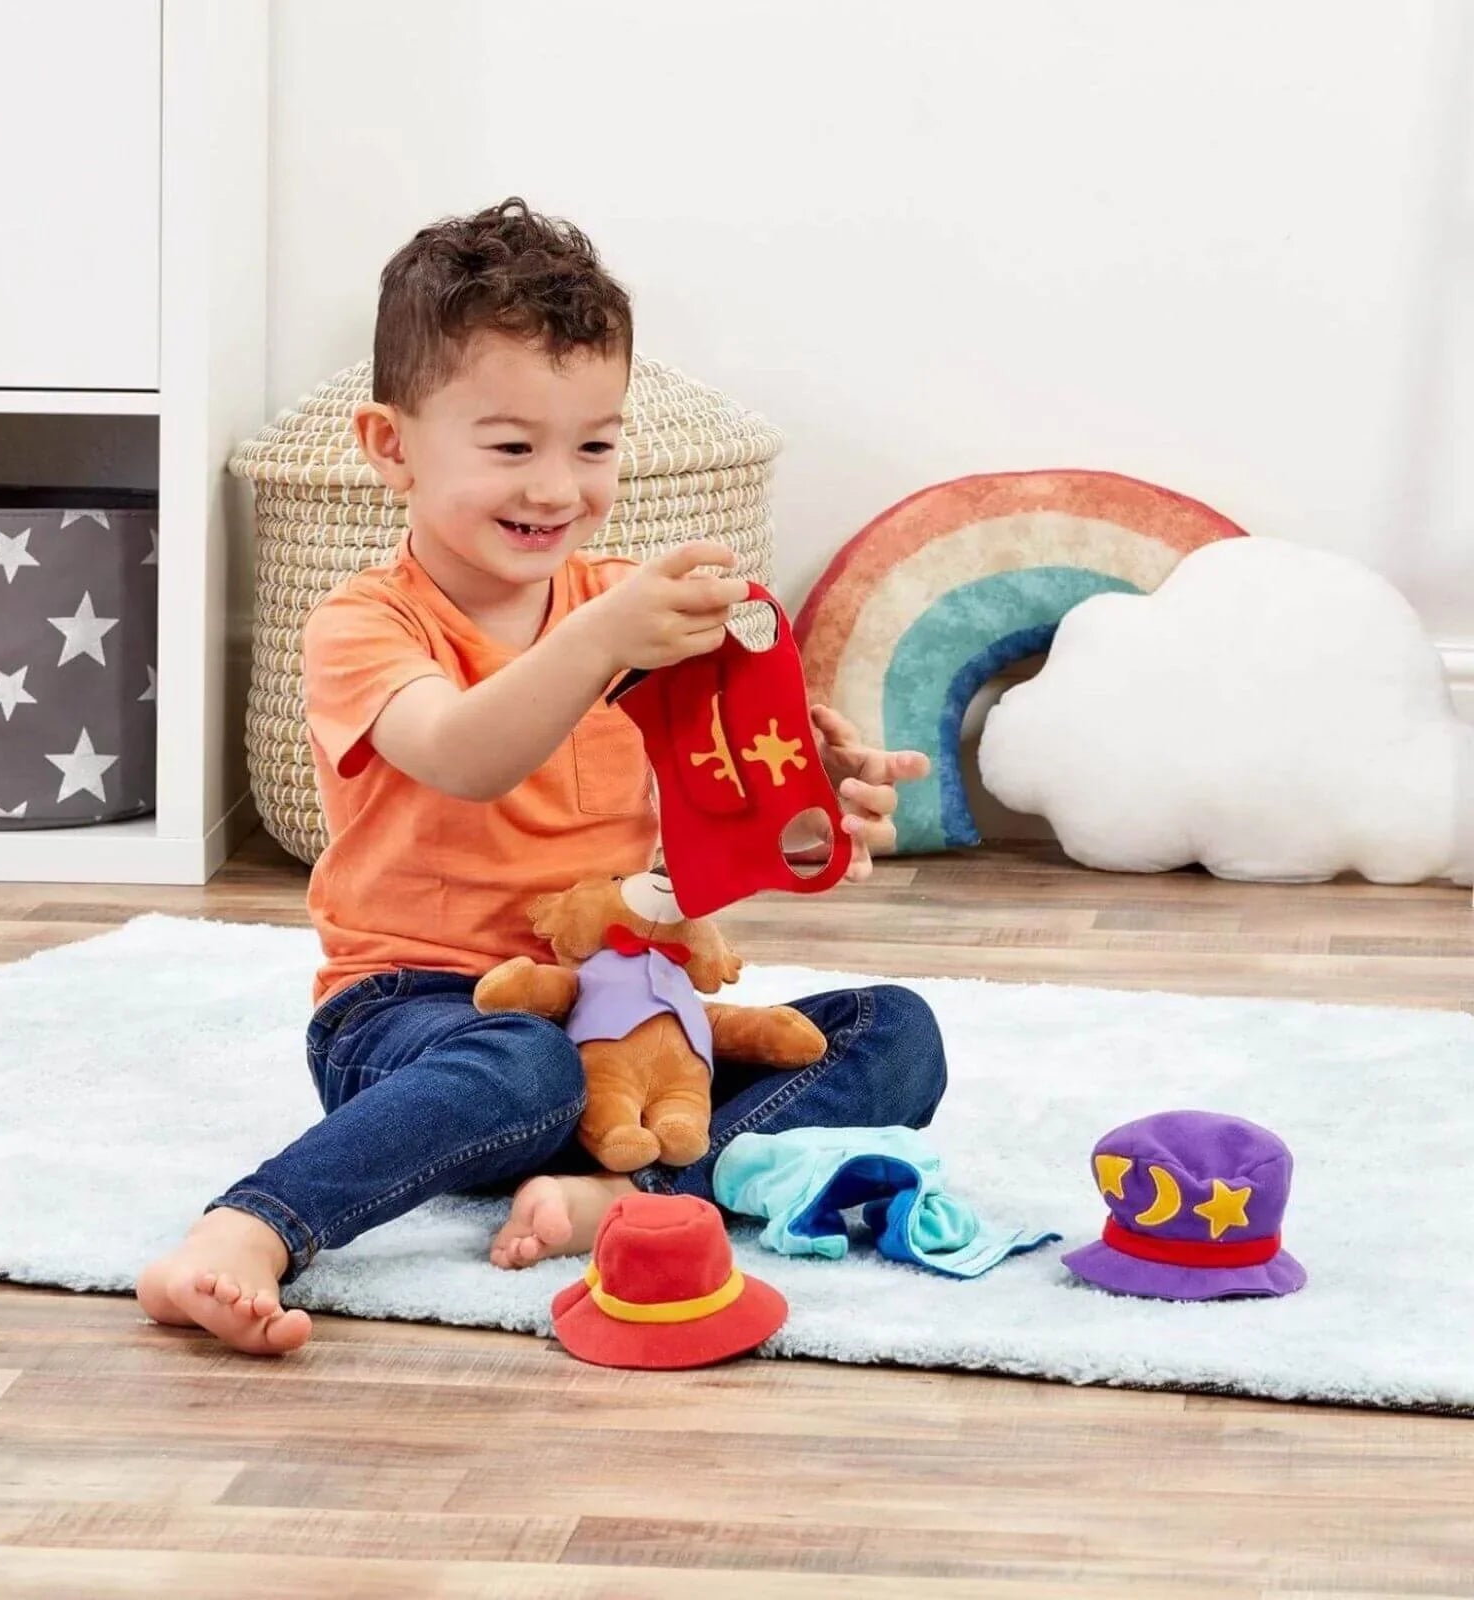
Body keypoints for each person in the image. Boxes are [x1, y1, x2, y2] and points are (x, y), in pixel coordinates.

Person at [137, 198, 946, 1354]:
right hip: (422, 1015)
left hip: (629, 1017)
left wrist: (809, 796)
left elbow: (719, 798)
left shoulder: (620, 608)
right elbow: (465, 753)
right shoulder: (364, 624)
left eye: (594, 446)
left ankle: (631, 1195)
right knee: (524, 1065)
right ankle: (252, 1224)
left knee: (891, 1031)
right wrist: (602, 636)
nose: (558, 488)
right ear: (390, 447)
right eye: (513, 448)